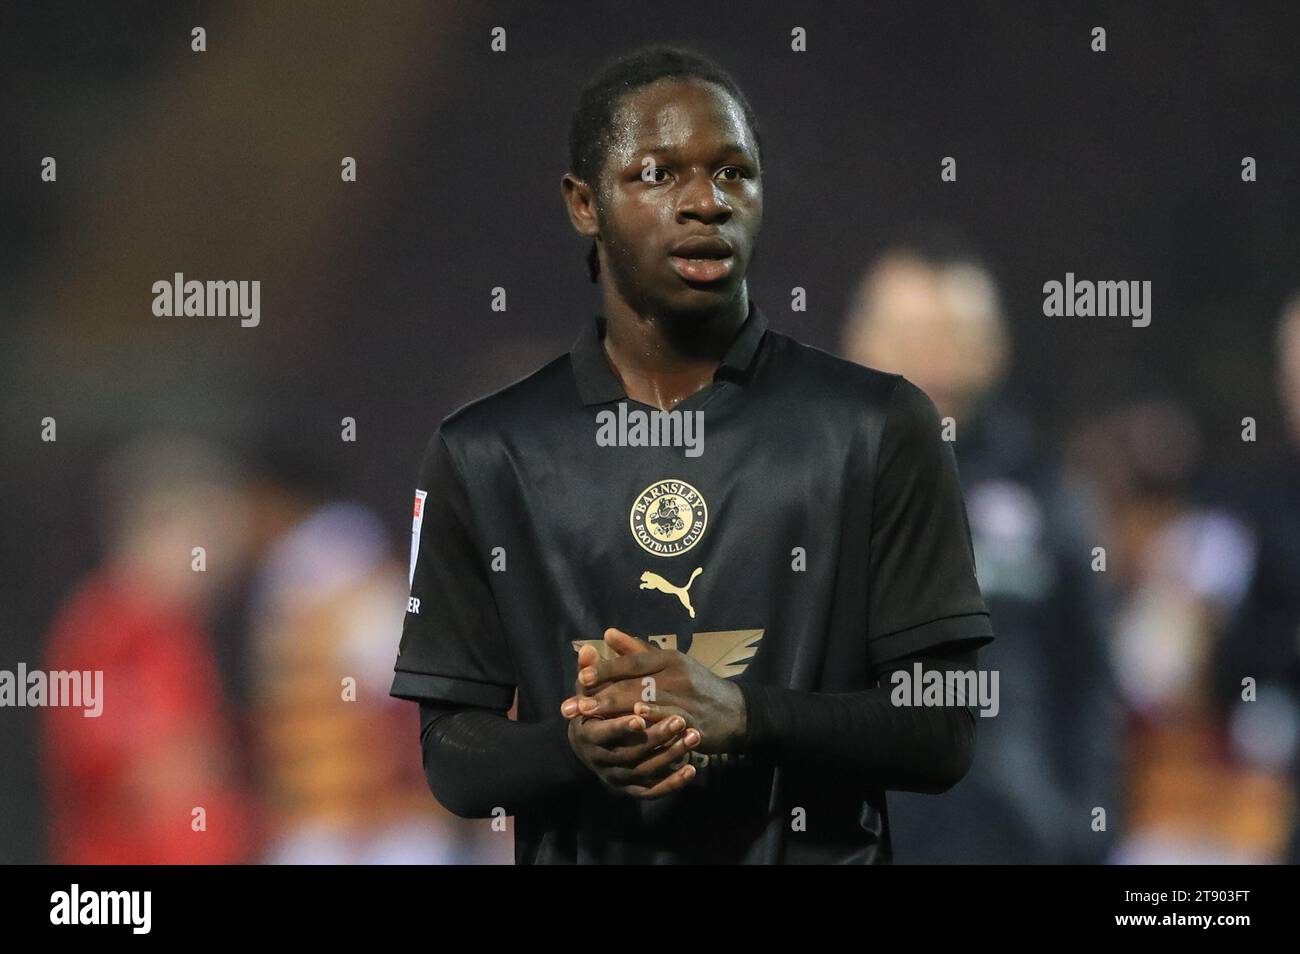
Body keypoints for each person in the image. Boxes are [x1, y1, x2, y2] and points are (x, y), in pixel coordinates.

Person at [389, 46, 994, 864]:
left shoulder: (878, 426)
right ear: (583, 203)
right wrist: (577, 750)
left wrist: (746, 716)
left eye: (735, 173)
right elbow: (453, 761)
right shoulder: (487, 451)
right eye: (658, 175)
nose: (706, 203)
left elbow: (945, 729)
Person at [841, 231, 1122, 862]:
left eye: (954, 337)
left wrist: (1085, 827)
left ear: (993, 349)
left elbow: (1090, 680)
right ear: (860, 340)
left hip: (1016, 840)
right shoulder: (809, 486)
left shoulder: (1048, 493)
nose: (934, 359)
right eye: (912, 337)